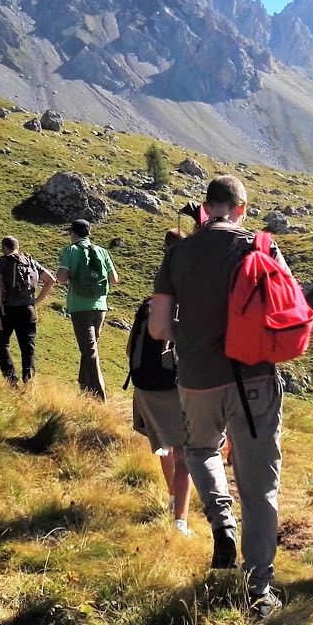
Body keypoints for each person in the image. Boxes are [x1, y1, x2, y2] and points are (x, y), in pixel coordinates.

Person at [148, 175, 289, 618]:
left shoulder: (179, 252)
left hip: (197, 378)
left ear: (206, 207)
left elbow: (158, 327)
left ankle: (221, 518)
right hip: (254, 378)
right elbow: (287, 310)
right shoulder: (260, 246)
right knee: (259, 485)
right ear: (241, 208)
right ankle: (259, 588)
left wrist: (190, 334)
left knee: (200, 449)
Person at [130, 228, 192, 536]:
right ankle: (180, 521)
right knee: (185, 452)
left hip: (143, 385)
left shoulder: (150, 303)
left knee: (164, 447)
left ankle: (171, 499)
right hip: (171, 386)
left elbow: (131, 347)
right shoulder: (185, 302)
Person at [57, 218, 119, 399]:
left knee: (90, 351)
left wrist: (69, 275)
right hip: (100, 307)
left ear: (73, 233)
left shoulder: (70, 250)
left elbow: (61, 278)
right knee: (89, 348)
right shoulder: (102, 251)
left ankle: (99, 397)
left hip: (79, 307)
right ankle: (84, 389)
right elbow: (114, 279)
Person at [0, 236, 56, 387]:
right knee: (28, 348)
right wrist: (36, 302)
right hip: (28, 310)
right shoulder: (30, 261)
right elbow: (51, 280)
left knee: (2, 344)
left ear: (4, 248)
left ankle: (11, 381)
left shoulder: (1, 262)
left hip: (7, 309)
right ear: (17, 247)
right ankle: (29, 383)